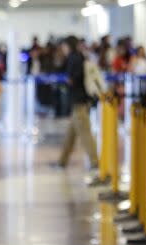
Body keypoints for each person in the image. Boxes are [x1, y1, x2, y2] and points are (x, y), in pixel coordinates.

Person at [56, 36, 101, 175]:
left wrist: (67, 82)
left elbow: (73, 79)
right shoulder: (80, 56)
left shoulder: (73, 58)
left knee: (85, 132)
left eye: (64, 45)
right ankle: (62, 161)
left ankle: (95, 161)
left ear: (68, 45)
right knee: (71, 133)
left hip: (78, 101)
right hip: (80, 100)